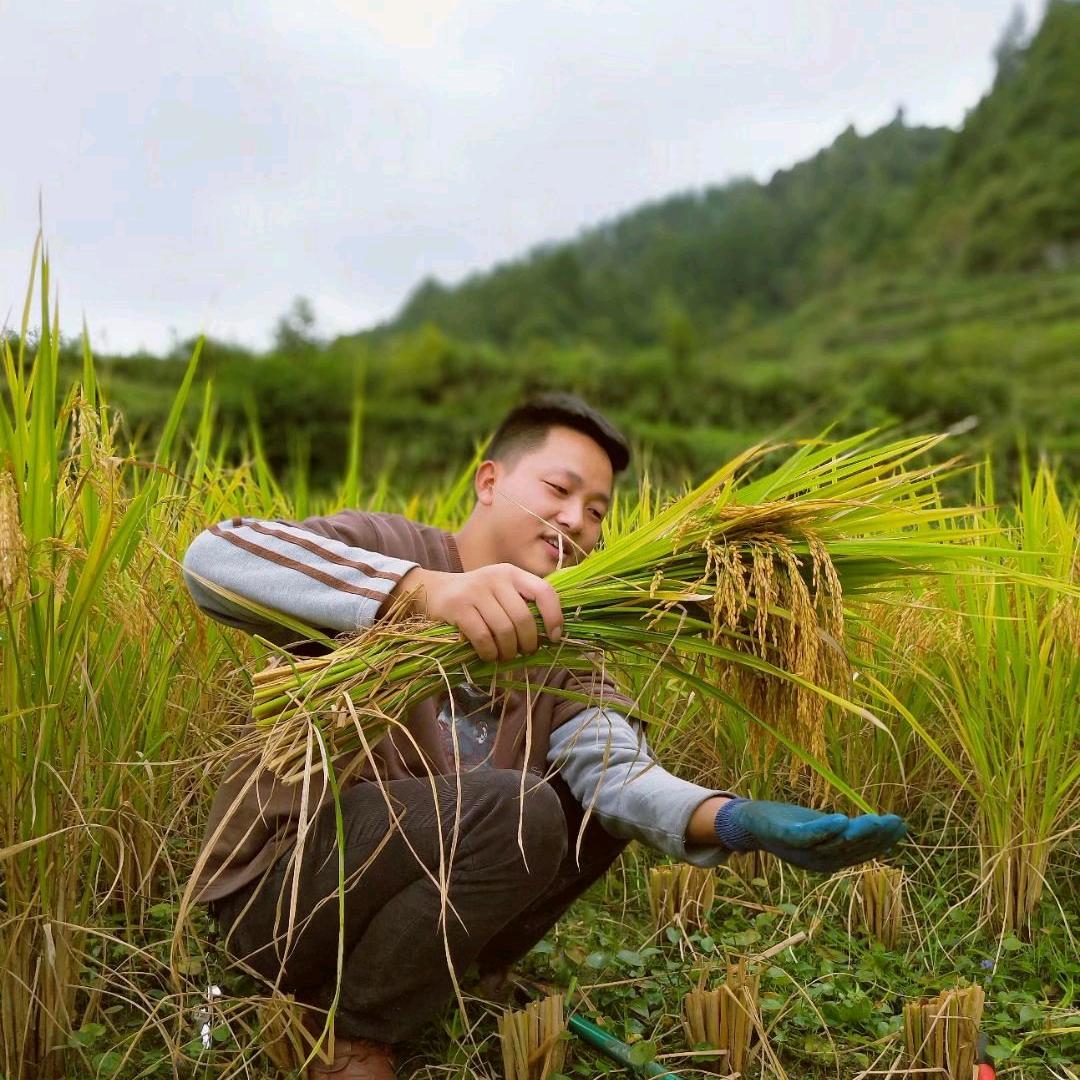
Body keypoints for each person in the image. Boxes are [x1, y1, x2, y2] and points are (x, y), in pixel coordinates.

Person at [181, 393, 905, 1080]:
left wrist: (735, 820)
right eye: (559, 489)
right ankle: (353, 1032)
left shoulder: (570, 648)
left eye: (596, 511)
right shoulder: (390, 548)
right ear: (489, 481)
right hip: (284, 903)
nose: (576, 521)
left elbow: (617, 776)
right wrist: (420, 592)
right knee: (515, 806)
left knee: (579, 812)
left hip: (412, 907)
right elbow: (214, 558)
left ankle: (433, 979)